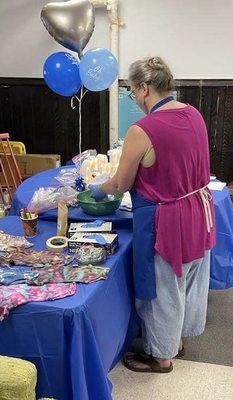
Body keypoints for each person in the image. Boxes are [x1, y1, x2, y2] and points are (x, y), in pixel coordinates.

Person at [89, 56, 215, 373]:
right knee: (188, 279)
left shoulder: (142, 130)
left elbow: (120, 183)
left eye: (132, 92)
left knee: (162, 289)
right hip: (199, 210)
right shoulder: (194, 114)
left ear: (144, 88)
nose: (133, 99)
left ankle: (160, 355)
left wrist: (97, 188)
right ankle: (178, 340)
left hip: (167, 220)